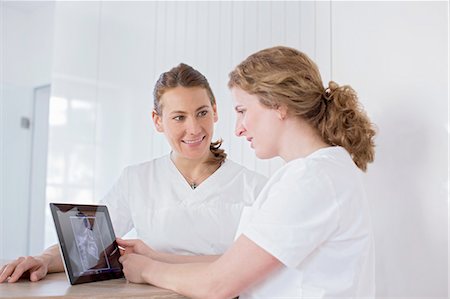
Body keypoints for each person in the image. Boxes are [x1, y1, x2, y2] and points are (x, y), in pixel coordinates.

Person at [117, 46, 377, 299]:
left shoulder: (311, 179)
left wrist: (147, 270)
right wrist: (155, 256)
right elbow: (235, 264)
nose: (238, 129)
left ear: (278, 105)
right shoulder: (320, 171)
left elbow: (219, 284)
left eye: (242, 111)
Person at [0, 63, 267, 283]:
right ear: (157, 120)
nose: (194, 128)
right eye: (179, 117)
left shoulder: (254, 187)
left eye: (202, 113)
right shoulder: (137, 179)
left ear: (215, 111)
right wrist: (44, 259)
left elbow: (259, 266)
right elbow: (86, 245)